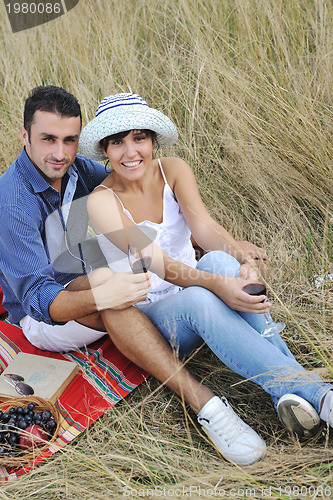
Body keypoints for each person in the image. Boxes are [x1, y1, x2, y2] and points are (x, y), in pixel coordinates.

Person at [0, 85, 269, 467]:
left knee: (130, 264)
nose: (59, 153)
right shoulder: (11, 201)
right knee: (115, 289)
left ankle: (187, 323)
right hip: (43, 309)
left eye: (69, 140)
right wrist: (101, 295)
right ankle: (207, 405)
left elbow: (133, 190)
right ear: (24, 135)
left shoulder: (76, 168)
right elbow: (41, 301)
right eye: (47, 139)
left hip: (74, 262)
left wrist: (215, 239)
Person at [79, 92, 333, 452]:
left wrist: (240, 264)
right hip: (155, 318)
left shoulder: (175, 169)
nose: (130, 151)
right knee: (203, 291)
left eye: (139, 138)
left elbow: (205, 231)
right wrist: (220, 286)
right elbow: (157, 263)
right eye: (117, 142)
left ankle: (289, 396)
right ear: (105, 150)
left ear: (153, 140)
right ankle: (320, 396)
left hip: (196, 287)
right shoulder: (100, 201)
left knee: (220, 262)